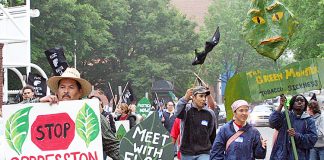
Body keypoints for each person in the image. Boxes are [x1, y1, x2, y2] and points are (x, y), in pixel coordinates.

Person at [39, 68, 120, 160]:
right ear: (57, 91)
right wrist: (37, 104)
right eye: (62, 87)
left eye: (71, 87)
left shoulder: (92, 116)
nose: (66, 91)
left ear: (80, 92)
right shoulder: (45, 112)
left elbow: (112, 146)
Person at [269, 94, 317, 160]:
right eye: (297, 100)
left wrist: (296, 135)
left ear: (305, 104)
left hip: (299, 156)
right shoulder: (285, 116)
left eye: (302, 100)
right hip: (281, 156)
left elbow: (312, 139)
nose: (299, 102)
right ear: (292, 103)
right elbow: (272, 123)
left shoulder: (309, 121)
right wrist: (281, 105)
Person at [174, 86, 216, 159]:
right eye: (201, 96)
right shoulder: (186, 110)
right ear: (193, 97)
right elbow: (177, 113)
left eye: (205, 96)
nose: (204, 99)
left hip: (204, 152)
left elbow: (212, 133)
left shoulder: (210, 113)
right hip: (186, 152)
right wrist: (185, 98)